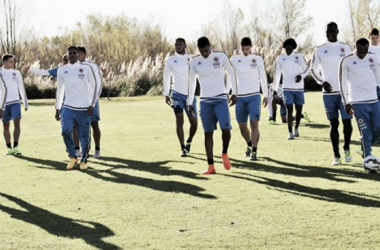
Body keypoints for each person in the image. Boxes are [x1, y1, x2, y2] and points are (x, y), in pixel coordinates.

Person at [188, 37, 237, 175]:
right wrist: (189, 102)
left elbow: (232, 73)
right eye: (202, 51)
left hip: (221, 98)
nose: (205, 53)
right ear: (198, 49)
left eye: (207, 50)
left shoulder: (220, 56)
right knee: (207, 133)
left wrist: (234, 92)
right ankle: (211, 166)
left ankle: (224, 153)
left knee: (226, 130)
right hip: (205, 101)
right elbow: (191, 82)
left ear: (210, 46)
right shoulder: (194, 61)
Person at [311, 22, 353, 165]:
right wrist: (322, 82)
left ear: (337, 31)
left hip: (345, 93)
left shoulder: (346, 47)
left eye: (332, 31)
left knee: (347, 123)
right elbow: (313, 70)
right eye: (327, 31)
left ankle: (346, 146)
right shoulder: (319, 50)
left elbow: (352, 67)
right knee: (333, 123)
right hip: (328, 94)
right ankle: (336, 155)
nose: (330, 33)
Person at [339, 38, 380, 172]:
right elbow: (342, 82)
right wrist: (346, 102)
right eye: (360, 50)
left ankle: (364, 146)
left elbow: (379, 76)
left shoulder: (373, 58)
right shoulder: (346, 60)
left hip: (374, 100)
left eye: (365, 50)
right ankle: (368, 156)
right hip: (357, 102)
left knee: (377, 128)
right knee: (366, 131)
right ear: (355, 47)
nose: (363, 53)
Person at [56, 46, 98, 170]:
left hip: (84, 108)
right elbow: (60, 90)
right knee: (65, 131)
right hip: (68, 107)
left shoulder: (86, 68)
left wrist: (92, 104)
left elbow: (94, 86)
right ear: (67, 55)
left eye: (75, 53)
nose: (73, 55)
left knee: (84, 136)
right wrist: (57, 108)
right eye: (70, 53)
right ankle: (72, 156)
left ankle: (84, 158)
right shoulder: (62, 70)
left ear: (78, 55)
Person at [230, 37, 268, 161]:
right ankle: (249, 143)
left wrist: (266, 95)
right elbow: (229, 75)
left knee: (254, 123)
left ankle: (254, 151)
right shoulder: (235, 59)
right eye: (243, 48)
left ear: (251, 46)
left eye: (247, 48)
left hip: (254, 95)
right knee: (242, 126)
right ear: (240, 48)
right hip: (240, 97)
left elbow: (263, 77)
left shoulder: (257, 59)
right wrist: (230, 92)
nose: (245, 51)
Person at [163, 38, 198, 157]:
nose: (177, 46)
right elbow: (166, 77)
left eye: (180, 44)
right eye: (176, 44)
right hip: (176, 94)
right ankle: (182, 147)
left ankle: (189, 141)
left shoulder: (192, 58)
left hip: (190, 95)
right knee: (179, 120)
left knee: (194, 123)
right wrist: (166, 94)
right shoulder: (171, 60)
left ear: (185, 45)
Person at [273, 38, 310, 140]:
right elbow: (277, 74)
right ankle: (290, 132)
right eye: (286, 49)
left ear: (293, 48)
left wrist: (301, 76)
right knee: (289, 109)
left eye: (290, 49)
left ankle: (296, 128)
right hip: (287, 88)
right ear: (284, 48)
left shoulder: (299, 56)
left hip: (298, 89)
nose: (288, 51)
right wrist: (275, 89)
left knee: (299, 110)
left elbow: (307, 69)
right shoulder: (280, 58)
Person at [77, 46, 103, 158]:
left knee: (94, 124)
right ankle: (83, 150)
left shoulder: (92, 66)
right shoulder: (73, 67)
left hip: (91, 100)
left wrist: (95, 98)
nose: (77, 57)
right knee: (80, 126)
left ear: (83, 54)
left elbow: (99, 83)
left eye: (79, 54)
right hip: (79, 101)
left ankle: (97, 149)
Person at [0, 54, 28, 156]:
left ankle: (16, 146)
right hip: (4, 104)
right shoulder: (0, 73)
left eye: (13, 61)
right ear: (5, 62)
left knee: (17, 123)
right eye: (11, 61)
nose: (13, 63)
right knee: (6, 125)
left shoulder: (16, 73)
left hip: (15, 102)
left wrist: (25, 102)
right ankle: (8, 148)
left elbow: (21, 87)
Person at [369, 28, 380, 101]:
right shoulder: (366, 50)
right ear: (369, 38)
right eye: (373, 38)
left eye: (377, 37)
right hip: (372, 85)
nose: (375, 40)